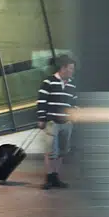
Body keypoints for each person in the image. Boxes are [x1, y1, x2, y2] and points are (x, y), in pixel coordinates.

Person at [37, 55, 77, 190]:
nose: (72, 71)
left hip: (66, 123)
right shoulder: (48, 82)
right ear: (63, 68)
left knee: (62, 151)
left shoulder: (72, 85)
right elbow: (42, 101)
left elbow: (74, 102)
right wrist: (41, 118)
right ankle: (49, 178)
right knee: (50, 152)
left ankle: (56, 177)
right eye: (70, 68)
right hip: (52, 122)